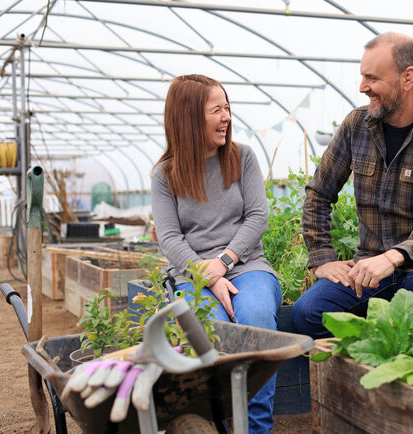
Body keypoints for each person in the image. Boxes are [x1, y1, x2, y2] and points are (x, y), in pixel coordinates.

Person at [291, 33, 413, 339]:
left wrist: (393, 257)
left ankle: (408, 353)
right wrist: (321, 258)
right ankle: (374, 350)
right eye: (363, 76)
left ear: (408, 78)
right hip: (369, 270)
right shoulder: (356, 126)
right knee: (306, 314)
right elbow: (318, 194)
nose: (363, 87)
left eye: (372, 77)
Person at [151, 74, 281, 433]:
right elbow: (170, 238)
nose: (226, 117)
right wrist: (205, 273)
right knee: (204, 329)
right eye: (216, 110)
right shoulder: (166, 175)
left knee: (255, 318)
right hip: (191, 274)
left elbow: (258, 216)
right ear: (190, 117)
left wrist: (223, 264)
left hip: (247, 266)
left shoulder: (243, 157)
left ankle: (255, 430)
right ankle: (221, 427)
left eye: (227, 108)